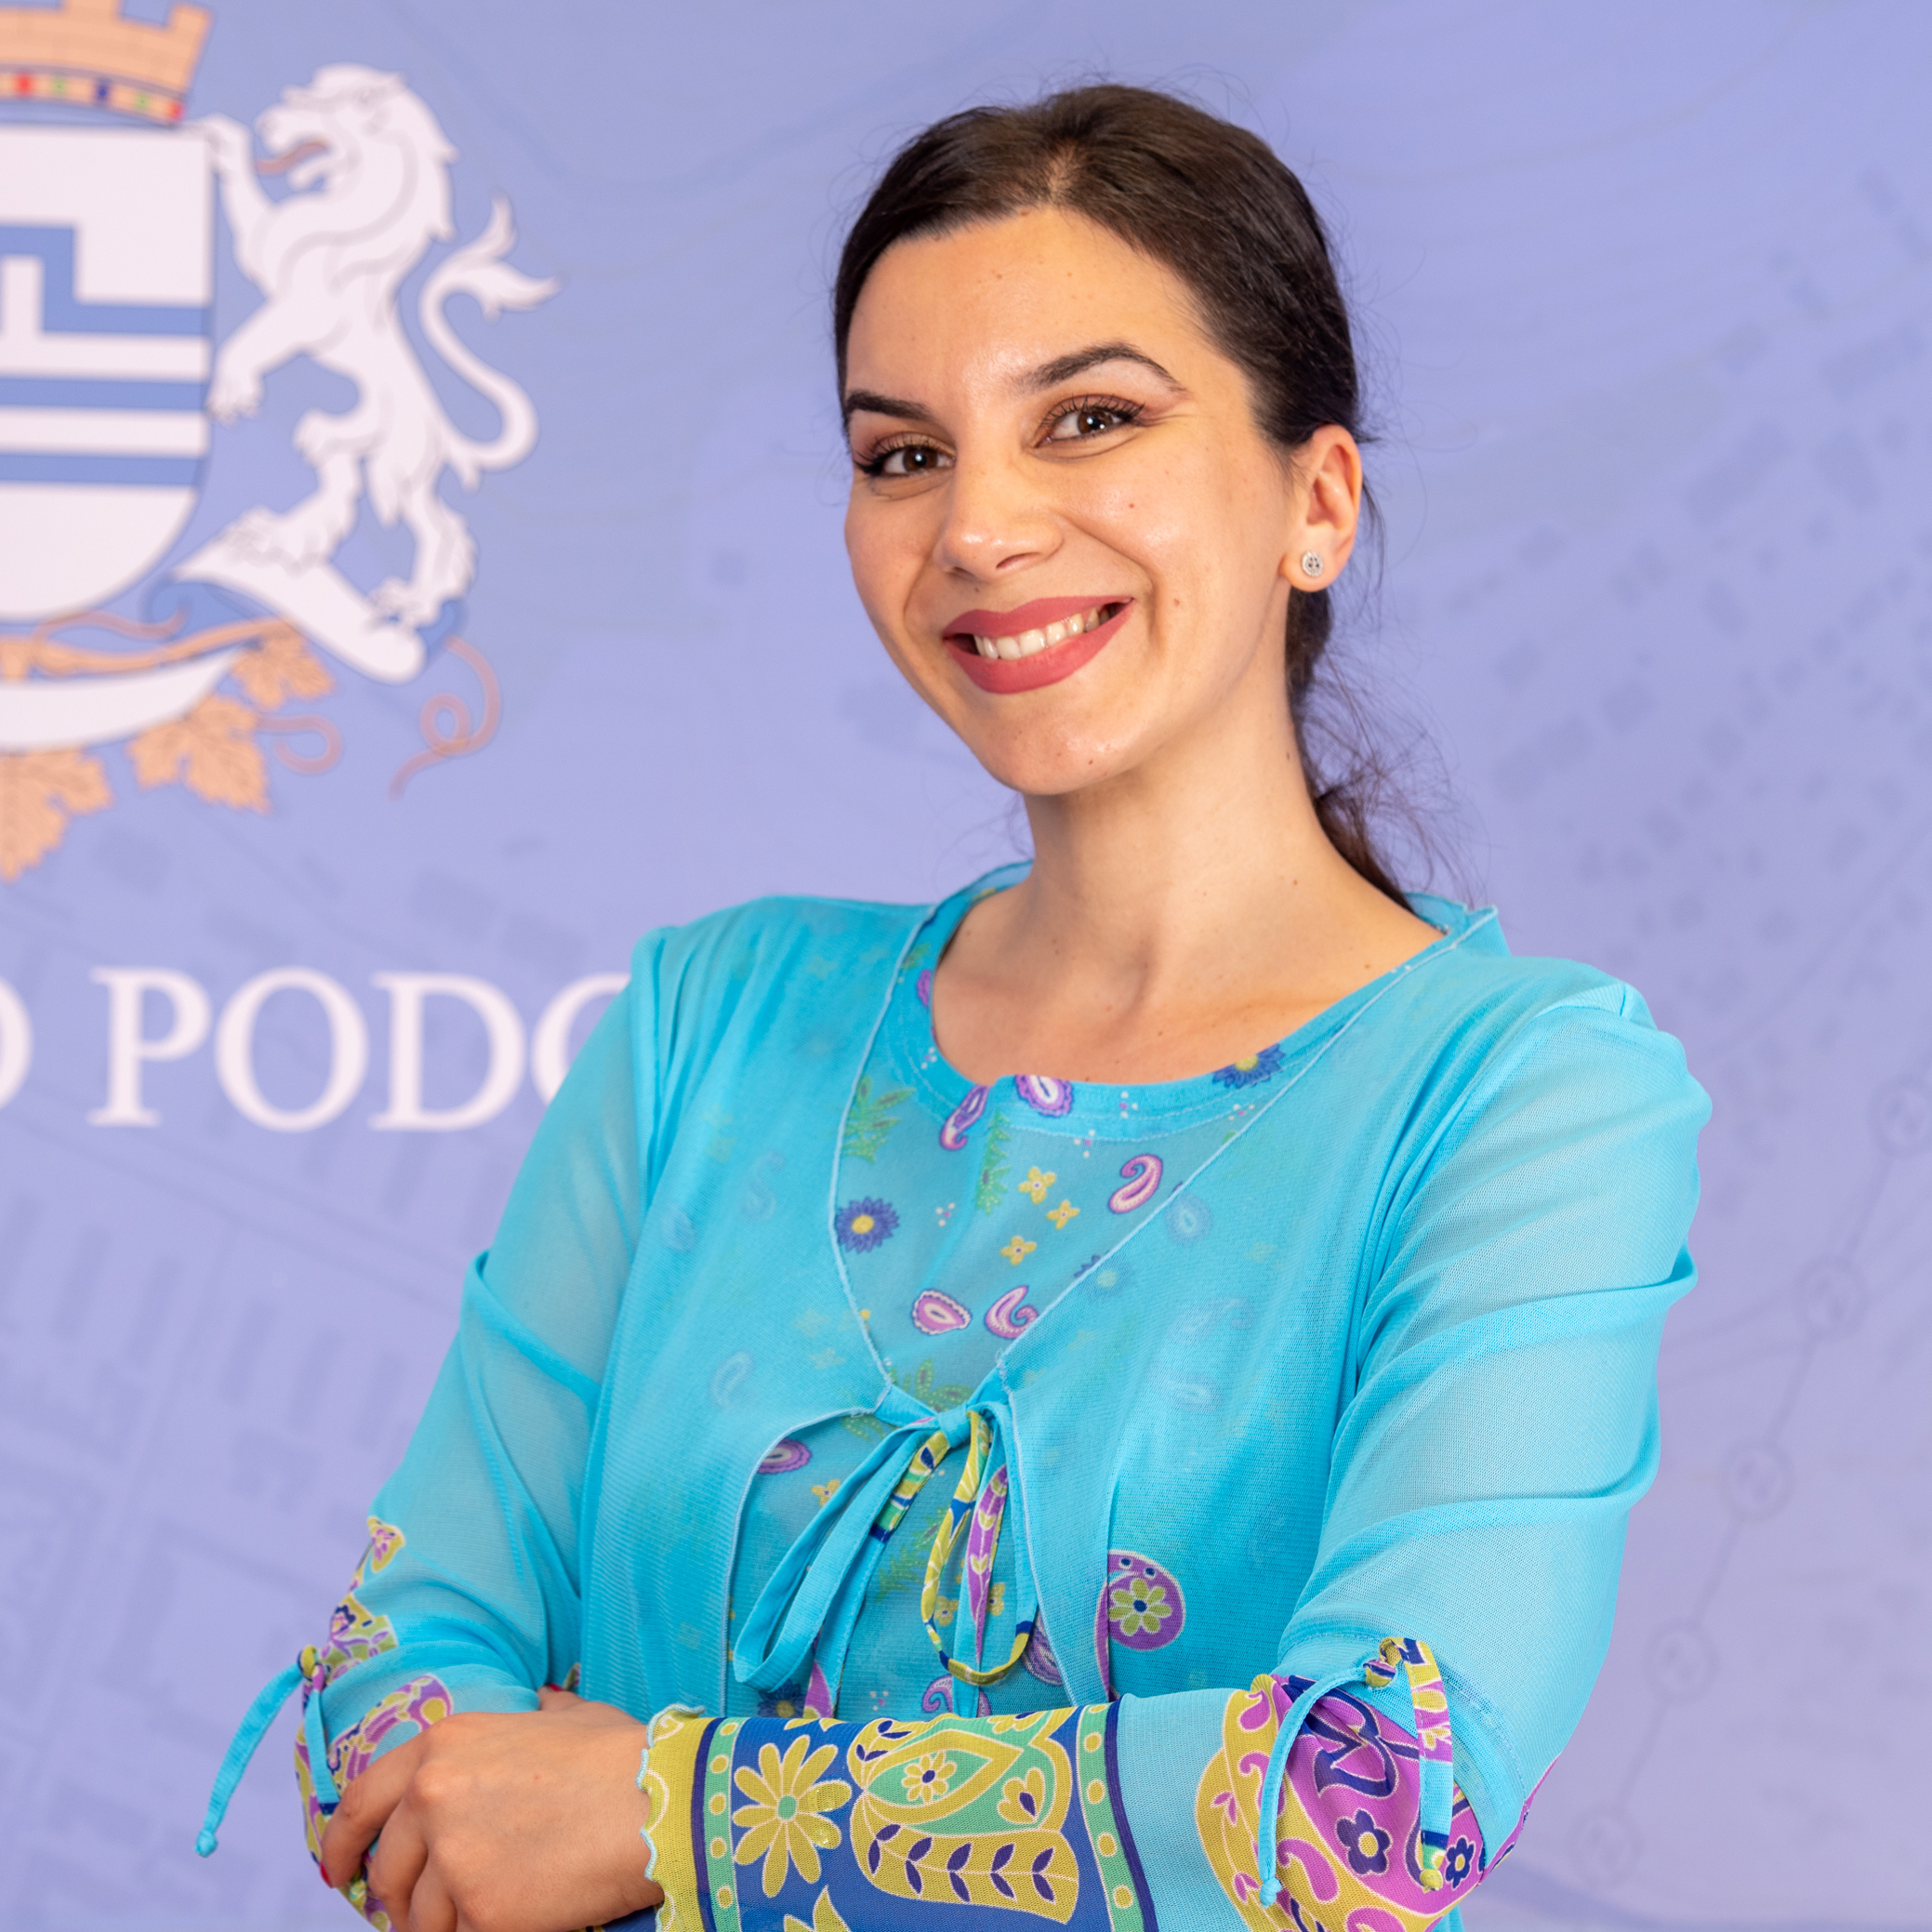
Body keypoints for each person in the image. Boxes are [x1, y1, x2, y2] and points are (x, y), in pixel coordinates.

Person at [198, 84, 1707, 1932]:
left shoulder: (1515, 1096)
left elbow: (1376, 1796)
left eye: (1090, 420)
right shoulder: (711, 1023)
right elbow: (392, 1679)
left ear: (1315, 500)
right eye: (903, 452)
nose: (980, 526)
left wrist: (666, 1811)